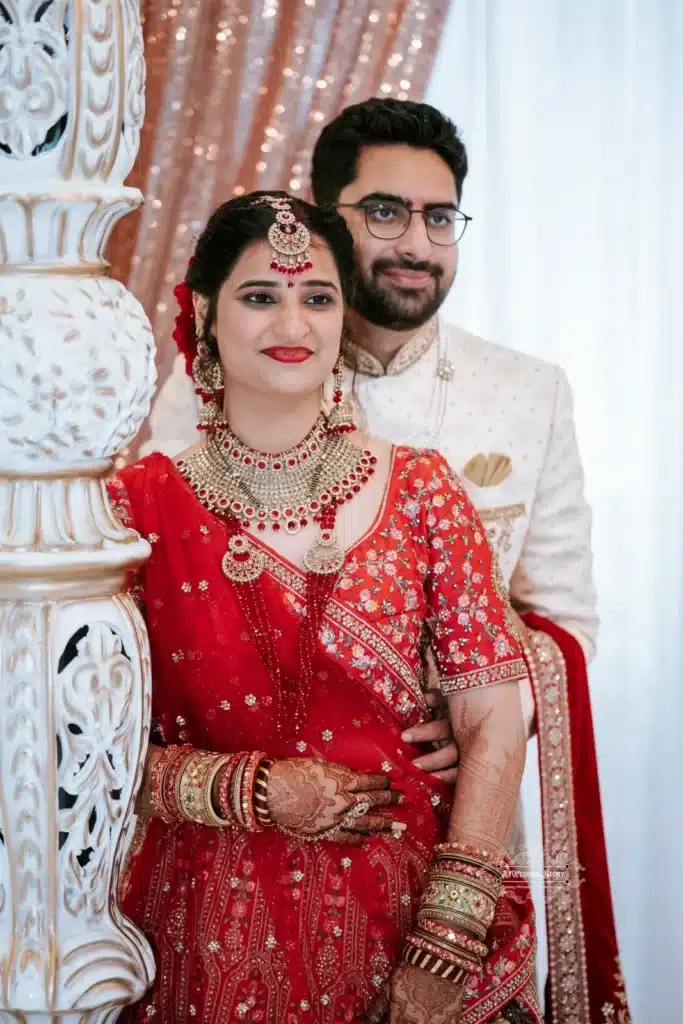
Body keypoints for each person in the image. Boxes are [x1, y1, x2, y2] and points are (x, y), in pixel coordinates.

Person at [137, 101, 630, 1023]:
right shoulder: (217, 379)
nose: (415, 241)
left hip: (451, 830)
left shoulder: (527, 392)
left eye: (439, 218)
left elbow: (565, 618)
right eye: (384, 213)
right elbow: (164, 597)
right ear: (329, 216)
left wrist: (484, 702)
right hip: (233, 845)